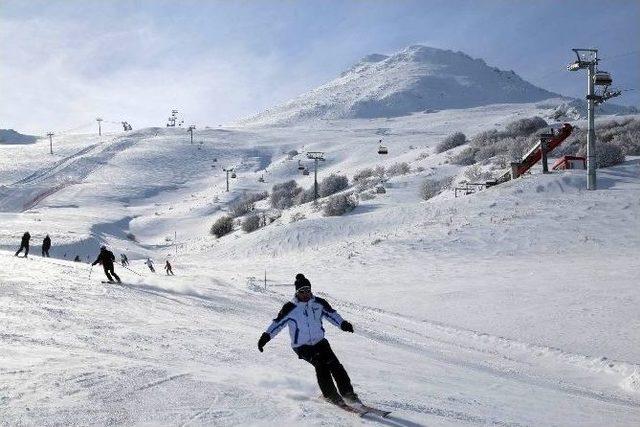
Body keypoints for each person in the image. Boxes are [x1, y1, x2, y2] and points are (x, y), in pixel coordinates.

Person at [257, 273, 358, 406]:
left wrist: (343, 324)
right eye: (302, 291)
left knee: (335, 365)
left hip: (320, 342)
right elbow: (277, 324)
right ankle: (331, 395)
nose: (306, 294)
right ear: (297, 292)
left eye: (308, 290)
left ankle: (348, 394)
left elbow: (333, 315)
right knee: (321, 365)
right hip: (302, 346)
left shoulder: (319, 303)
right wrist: (266, 336)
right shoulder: (290, 308)